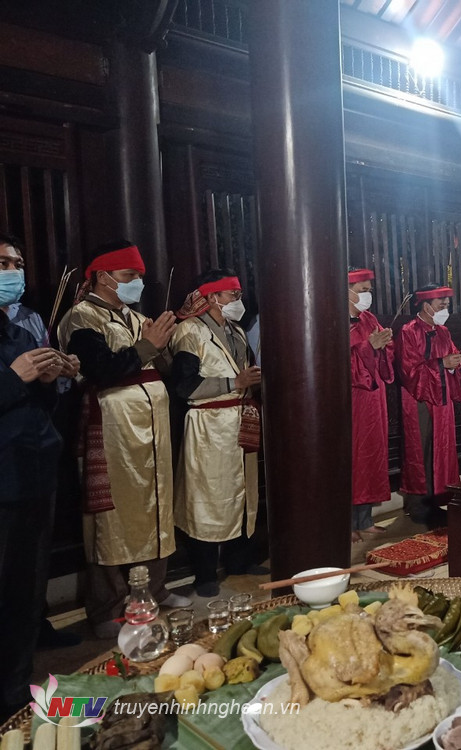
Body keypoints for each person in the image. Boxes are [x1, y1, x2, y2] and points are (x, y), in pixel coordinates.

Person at [56, 240, 187, 639]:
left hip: (153, 428)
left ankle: (154, 589)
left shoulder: (136, 316)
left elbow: (163, 367)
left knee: (156, 506)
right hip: (113, 430)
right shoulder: (82, 318)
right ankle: (108, 607)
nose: (137, 283)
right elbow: (103, 370)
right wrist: (148, 346)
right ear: (103, 276)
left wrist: (164, 345)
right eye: (130, 275)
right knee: (112, 517)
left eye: (140, 276)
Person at [0, 239, 79, 718]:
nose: (13, 272)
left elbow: (37, 406)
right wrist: (13, 376)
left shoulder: (17, 331)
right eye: (2, 263)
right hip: (4, 480)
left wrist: (48, 381)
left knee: (26, 592)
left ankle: (16, 688)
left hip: (35, 473)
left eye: (17, 264)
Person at [170, 270, 262, 598]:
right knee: (207, 497)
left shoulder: (236, 330)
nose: (239, 301)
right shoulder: (190, 331)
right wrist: (234, 383)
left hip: (239, 418)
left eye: (239, 295)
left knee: (242, 492)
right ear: (211, 297)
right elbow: (184, 385)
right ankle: (205, 573)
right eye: (232, 295)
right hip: (208, 424)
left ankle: (239, 561)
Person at [396, 284, 461, 524]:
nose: (446, 309)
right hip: (419, 399)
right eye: (441, 305)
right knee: (420, 450)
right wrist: (441, 364)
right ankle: (418, 507)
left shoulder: (443, 331)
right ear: (426, 306)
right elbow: (408, 370)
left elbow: (452, 356)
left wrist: (454, 363)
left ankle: (438, 501)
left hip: (442, 400)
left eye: (447, 305)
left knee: (441, 449)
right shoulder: (408, 331)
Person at [348, 267, 394, 542]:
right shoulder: (332, 320)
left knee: (370, 456)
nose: (367, 295)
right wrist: (368, 347)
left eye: (369, 290)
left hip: (373, 398)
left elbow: (385, 356)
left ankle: (364, 520)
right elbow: (335, 361)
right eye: (362, 290)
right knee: (351, 458)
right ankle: (346, 524)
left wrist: (385, 344)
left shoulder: (369, 318)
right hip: (351, 399)